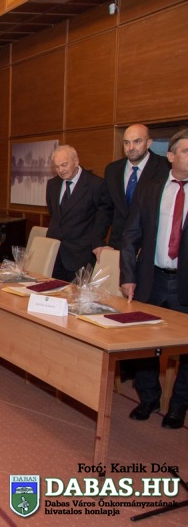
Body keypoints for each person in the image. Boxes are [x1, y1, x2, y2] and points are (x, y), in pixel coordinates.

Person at [121, 128, 188, 429]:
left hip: (184, 283)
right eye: (186, 151)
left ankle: (178, 405)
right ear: (171, 156)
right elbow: (131, 235)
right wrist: (128, 276)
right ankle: (148, 398)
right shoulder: (150, 189)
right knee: (143, 343)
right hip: (152, 279)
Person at [94, 124, 171, 257]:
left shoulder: (165, 168)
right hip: (118, 246)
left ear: (148, 143)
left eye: (137, 142)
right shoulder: (113, 170)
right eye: (126, 143)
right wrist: (97, 241)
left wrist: (148, 246)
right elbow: (106, 208)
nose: (131, 147)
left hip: (150, 249)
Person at [44, 145, 104, 282]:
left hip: (80, 255)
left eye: (64, 165)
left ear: (76, 161)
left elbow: (101, 219)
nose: (61, 170)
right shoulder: (52, 184)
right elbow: (54, 214)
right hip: (54, 255)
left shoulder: (95, 184)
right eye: (57, 167)